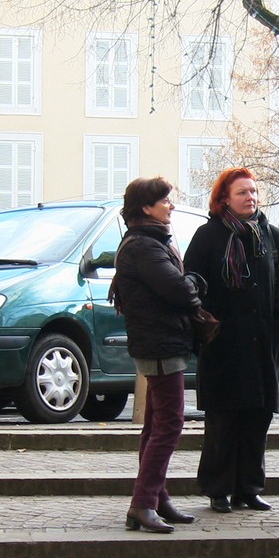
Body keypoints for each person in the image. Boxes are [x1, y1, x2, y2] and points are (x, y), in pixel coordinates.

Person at [183, 167, 279, 513]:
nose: (250, 197)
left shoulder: (270, 235)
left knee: (257, 419)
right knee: (223, 421)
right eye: (242, 192)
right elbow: (191, 285)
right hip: (224, 345)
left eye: (253, 191)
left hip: (263, 344)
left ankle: (248, 488)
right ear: (225, 198)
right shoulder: (208, 236)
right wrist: (208, 325)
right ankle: (218, 489)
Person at [110, 177, 200, 533]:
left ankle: (156, 499)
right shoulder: (144, 246)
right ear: (146, 207)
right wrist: (197, 283)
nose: (170, 206)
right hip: (159, 343)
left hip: (160, 341)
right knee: (169, 424)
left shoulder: (147, 241)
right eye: (164, 201)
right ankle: (143, 503)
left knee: (155, 424)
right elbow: (179, 290)